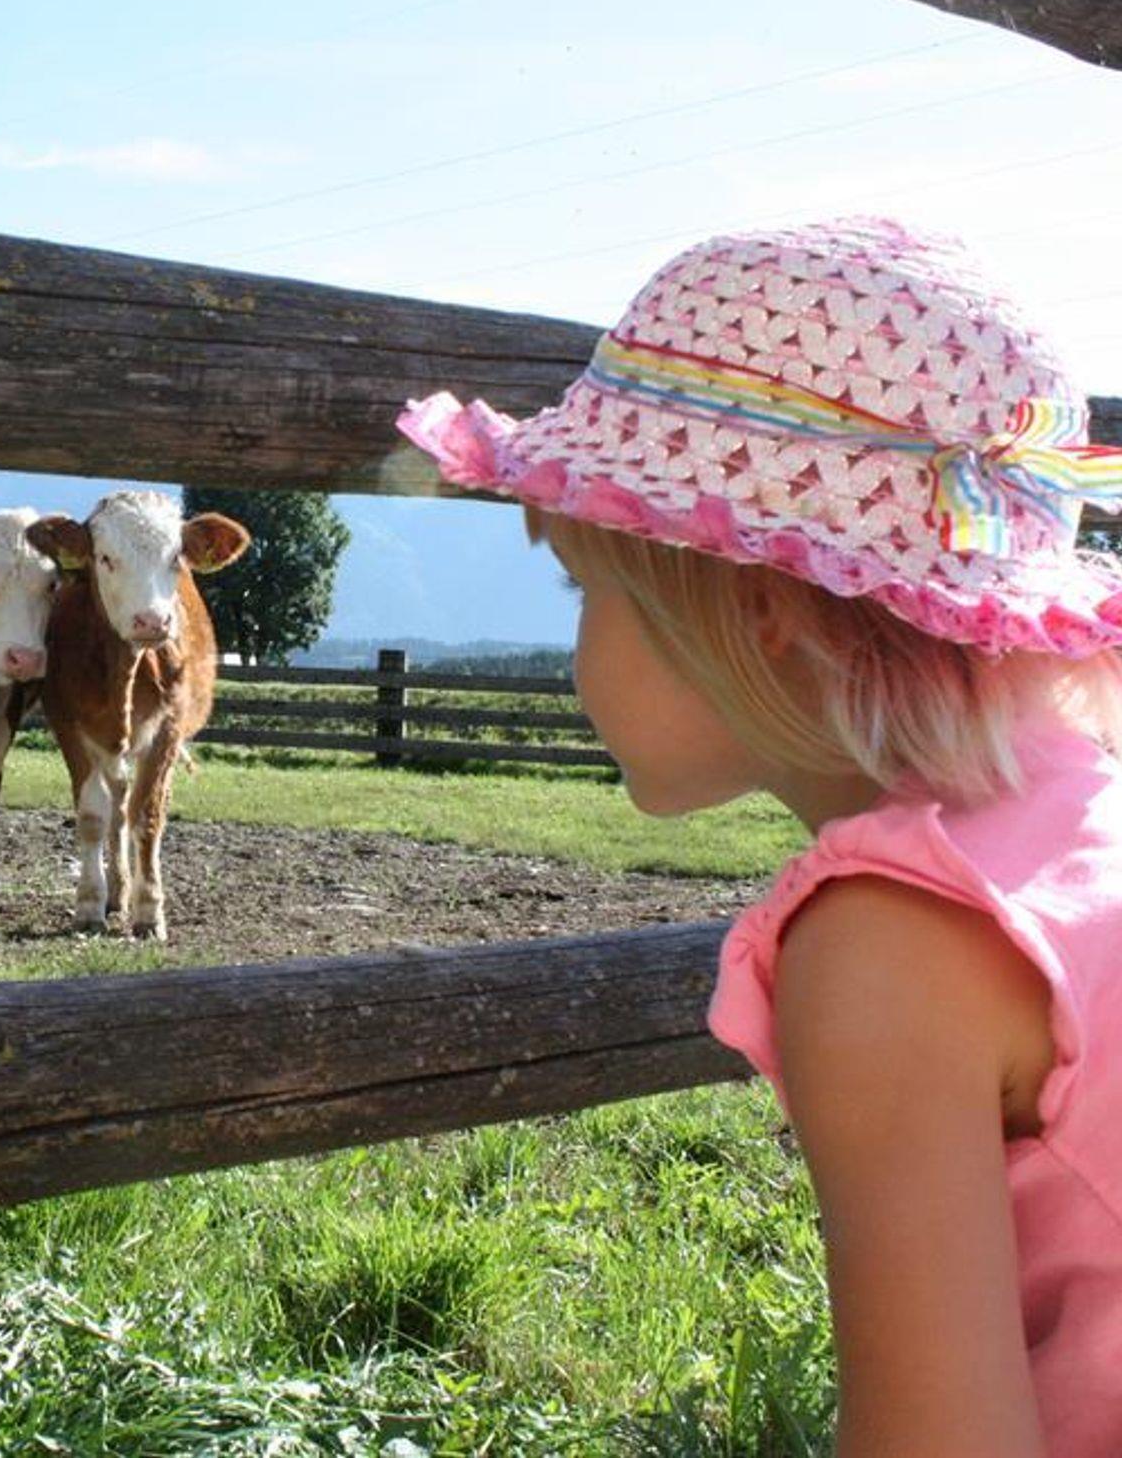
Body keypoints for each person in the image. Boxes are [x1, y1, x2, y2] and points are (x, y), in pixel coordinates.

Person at [395, 216, 1122, 1456]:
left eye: (586, 587)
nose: (575, 648)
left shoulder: (894, 943)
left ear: (760, 605)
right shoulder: (1078, 824)